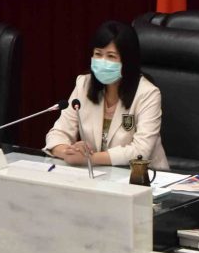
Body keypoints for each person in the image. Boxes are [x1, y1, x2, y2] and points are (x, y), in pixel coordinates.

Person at [45, 20, 168, 169]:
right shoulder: (83, 85)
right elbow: (58, 133)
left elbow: (141, 151)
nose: (102, 62)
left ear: (127, 61)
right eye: (98, 54)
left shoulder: (148, 93)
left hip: (143, 178)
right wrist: (67, 152)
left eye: (111, 56)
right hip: (100, 176)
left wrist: (90, 158)